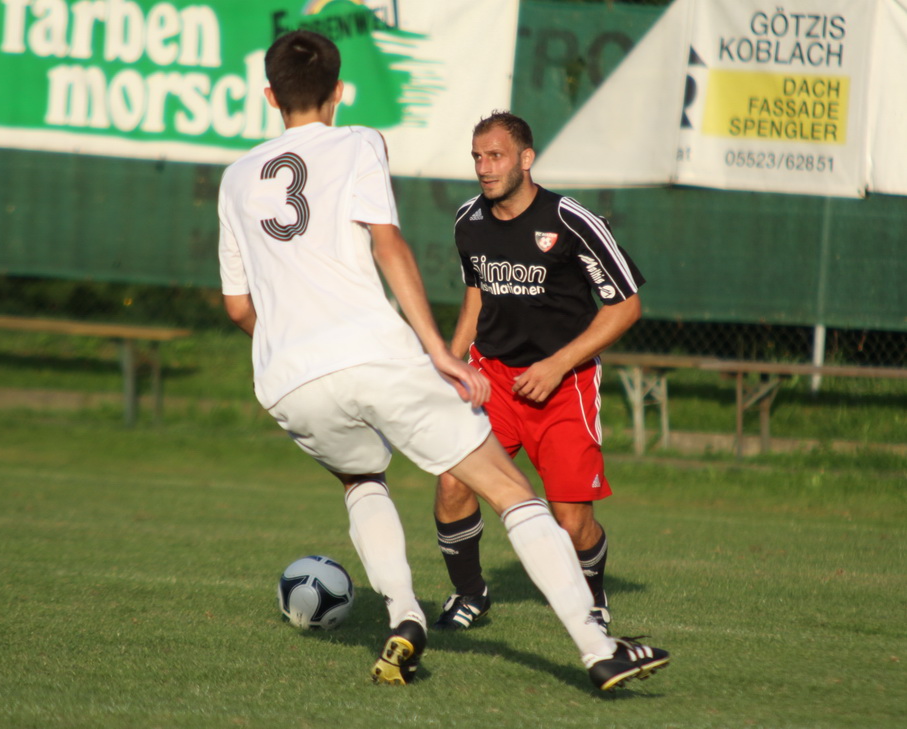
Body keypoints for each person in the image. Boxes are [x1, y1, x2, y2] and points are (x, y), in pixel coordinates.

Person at [218, 30, 668, 691]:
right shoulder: (359, 141)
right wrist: (438, 352)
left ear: (268, 96)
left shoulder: (233, 179)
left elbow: (237, 308)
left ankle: (404, 615)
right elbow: (389, 246)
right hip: (372, 352)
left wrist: (289, 342)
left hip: (286, 378)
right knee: (509, 490)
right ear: (338, 91)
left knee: (361, 481)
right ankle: (598, 649)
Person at [432, 111, 644, 636]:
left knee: (571, 520)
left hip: (563, 385)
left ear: (526, 159)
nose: (484, 167)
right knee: (453, 481)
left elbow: (625, 306)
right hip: (492, 379)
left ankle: (592, 598)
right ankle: (470, 593)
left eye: (496, 156)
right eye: (477, 157)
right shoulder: (468, 221)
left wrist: (556, 364)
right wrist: (452, 366)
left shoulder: (571, 221)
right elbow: (476, 298)